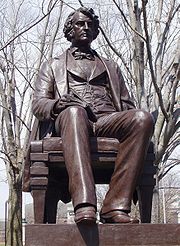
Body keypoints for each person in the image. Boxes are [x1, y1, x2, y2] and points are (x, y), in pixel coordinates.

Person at [31, 7, 154, 224]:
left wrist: (128, 115)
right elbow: (38, 105)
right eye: (80, 24)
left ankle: (114, 206)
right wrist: (59, 104)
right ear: (70, 30)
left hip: (107, 120)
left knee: (142, 118)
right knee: (74, 112)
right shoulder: (53, 65)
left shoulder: (111, 66)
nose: (85, 28)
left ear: (95, 30)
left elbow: (127, 104)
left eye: (90, 24)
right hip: (72, 120)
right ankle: (84, 205)